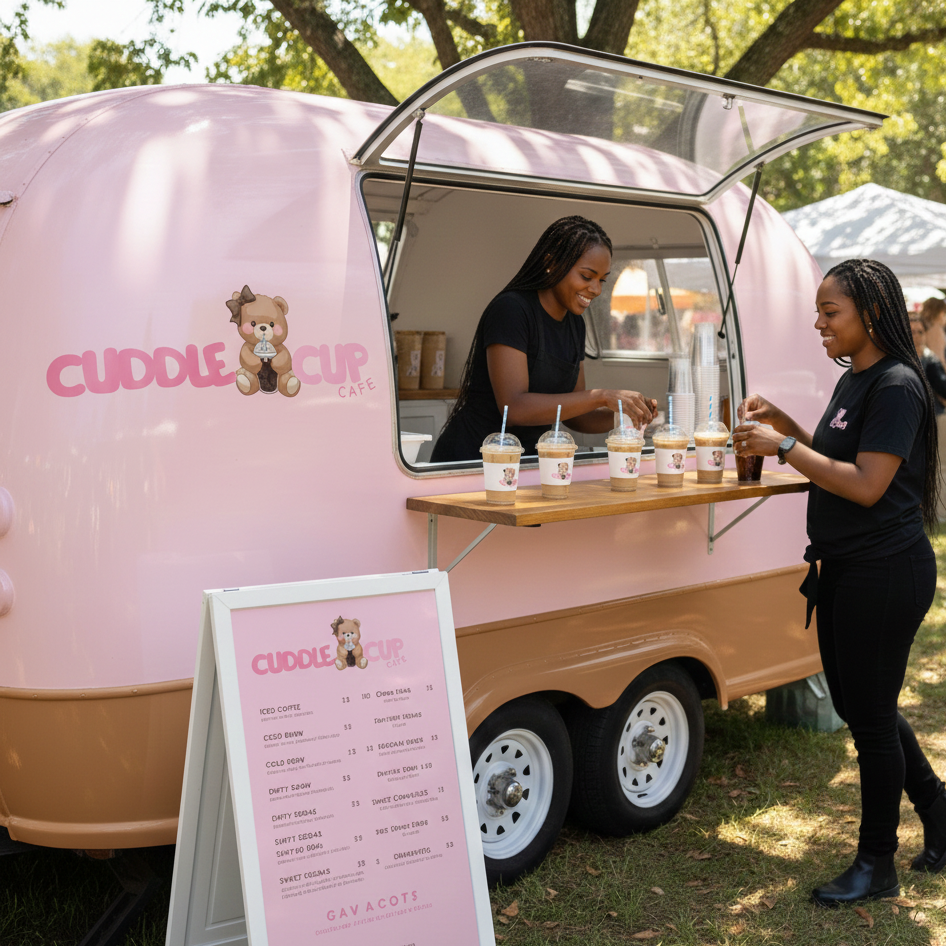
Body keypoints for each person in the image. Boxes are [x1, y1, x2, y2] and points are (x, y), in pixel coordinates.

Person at [733, 258, 944, 907]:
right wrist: (788, 427)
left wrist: (783, 448)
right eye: (819, 312)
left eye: (831, 313)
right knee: (861, 707)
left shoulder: (899, 385)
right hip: (846, 568)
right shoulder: (857, 378)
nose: (818, 323)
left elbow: (867, 484)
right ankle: (939, 812)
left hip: (886, 571)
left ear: (870, 314)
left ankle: (876, 863)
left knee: (871, 721)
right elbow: (837, 457)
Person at [430, 216, 657, 461]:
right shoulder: (511, 310)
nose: (596, 289)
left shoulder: (575, 325)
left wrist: (626, 414)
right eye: (586, 276)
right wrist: (603, 396)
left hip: (524, 462)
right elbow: (514, 408)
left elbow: (573, 414)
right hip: (471, 459)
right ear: (552, 263)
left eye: (601, 280)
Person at [911, 312, 946, 521]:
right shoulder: (902, 358)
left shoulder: (930, 359)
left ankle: (935, 512)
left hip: (932, 421)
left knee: (935, 466)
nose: (916, 336)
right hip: (912, 423)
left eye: (919, 331)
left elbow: (943, 387)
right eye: (912, 331)